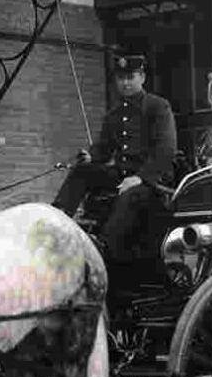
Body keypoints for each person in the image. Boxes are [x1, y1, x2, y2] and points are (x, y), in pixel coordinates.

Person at [51, 54, 177, 264]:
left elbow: (166, 149)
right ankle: (58, 218)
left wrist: (140, 178)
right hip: (121, 175)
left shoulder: (158, 107)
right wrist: (91, 156)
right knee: (83, 171)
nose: (125, 83)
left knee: (131, 195)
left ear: (142, 77)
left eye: (130, 77)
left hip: (153, 182)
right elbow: (104, 149)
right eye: (121, 78)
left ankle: (103, 246)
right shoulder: (114, 115)